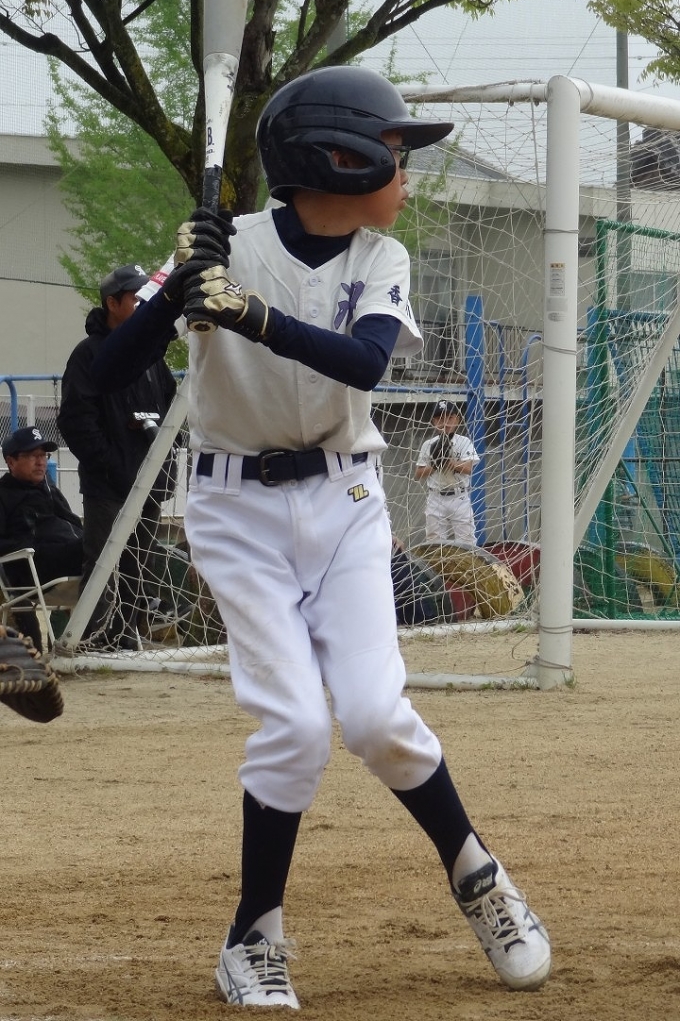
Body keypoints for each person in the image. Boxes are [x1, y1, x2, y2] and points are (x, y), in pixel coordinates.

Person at [89, 66, 551, 1007]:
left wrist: (252, 315)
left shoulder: (383, 257)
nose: (405, 175)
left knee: (377, 718)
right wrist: (179, 291)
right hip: (235, 512)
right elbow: (102, 374)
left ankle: (479, 876)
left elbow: (366, 364)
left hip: (346, 502)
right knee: (297, 726)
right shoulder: (223, 247)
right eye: (392, 155)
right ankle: (252, 937)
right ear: (336, 161)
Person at [57, 264, 178, 649]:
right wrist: (113, 464)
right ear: (112, 303)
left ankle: (129, 637)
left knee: (139, 564)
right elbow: (75, 421)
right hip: (109, 485)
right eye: (135, 299)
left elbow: (170, 408)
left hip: (149, 482)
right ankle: (93, 642)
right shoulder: (88, 354)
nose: (143, 305)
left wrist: (167, 459)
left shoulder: (152, 355)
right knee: (103, 563)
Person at [0, 426, 83, 589]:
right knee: (101, 546)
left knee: (119, 540)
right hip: (37, 567)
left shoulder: (50, 490)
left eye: (43, 455)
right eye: (33, 455)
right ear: (11, 461)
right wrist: (35, 548)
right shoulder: (4, 495)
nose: (40, 462)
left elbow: (74, 525)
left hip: (73, 556)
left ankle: (134, 600)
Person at [414, 400, 480, 545]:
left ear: (457, 420)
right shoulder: (428, 444)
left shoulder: (464, 442)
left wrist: (448, 461)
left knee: (467, 542)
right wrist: (435, 464)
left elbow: (469, 469)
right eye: (440, 418)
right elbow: (418, 474)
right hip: (435, 497)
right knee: (434, 543)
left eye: (450, 418)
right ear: (433, 422)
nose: (445, 422)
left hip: (459, 497)